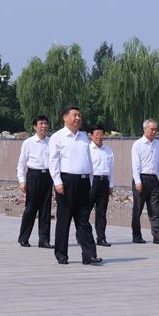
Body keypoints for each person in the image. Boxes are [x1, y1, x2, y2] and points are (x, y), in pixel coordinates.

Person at [48, 105, 101, 265]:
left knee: (83, 220)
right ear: (65, 117)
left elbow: (88, 160)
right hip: (66, 181)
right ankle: (61, 254)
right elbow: (53, 161)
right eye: (74, 115)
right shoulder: (57, 137)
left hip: (84, 181)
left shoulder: (85, 137)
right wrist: (57, 182)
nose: (77, 118)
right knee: (64, 220)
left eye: (79, 115)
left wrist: (90, 180)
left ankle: (89, 254)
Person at [16, 115, 53, 248]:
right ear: (35, 126)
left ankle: (44, 240)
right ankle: (24, 237)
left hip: (48, 176)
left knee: (46, 209)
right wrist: (22, 181)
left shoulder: (51, 142)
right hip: (33, 176)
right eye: (41, 123)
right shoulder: (28, 142)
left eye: (45, 123)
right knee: (31, 208)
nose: (44, 126)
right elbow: (21, 164)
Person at [131, 118, 159, 244]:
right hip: (141, 178)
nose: (154, 132)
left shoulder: (157, 144)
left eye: (156, 130)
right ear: (145, 129)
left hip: (153, 179)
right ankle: (136, 235)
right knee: (138, 209)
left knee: (154, 209)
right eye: (152, 129)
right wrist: (137, 181)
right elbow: (135, 164)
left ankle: (157, 235)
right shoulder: (138, 144)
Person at [88, 124, 115, 247]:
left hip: (104, 182)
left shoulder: (108, 150)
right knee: (85, 211)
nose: (99, 137)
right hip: (92, 181)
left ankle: (101, 237)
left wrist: (111, 185)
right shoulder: (87, 149)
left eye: (101, 134)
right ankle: (82, 235)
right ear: (91, 135)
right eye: (96, 134)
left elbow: (111, 169)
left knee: (101, 212)